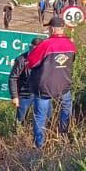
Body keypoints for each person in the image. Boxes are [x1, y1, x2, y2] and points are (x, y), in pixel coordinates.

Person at [22, 15, 76, 148]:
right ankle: (63, 135)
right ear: (63, 29)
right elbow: (71, 61)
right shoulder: (71, 45)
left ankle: (39, 146)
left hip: (44, 88)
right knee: (66, 109)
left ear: (52, 29)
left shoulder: (45, 45)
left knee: (40, 116)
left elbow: (30, 63)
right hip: (64, 85)